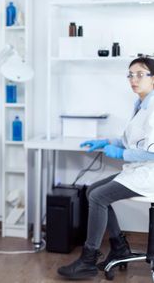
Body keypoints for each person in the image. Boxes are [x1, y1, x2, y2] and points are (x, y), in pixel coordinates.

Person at [58, 56, 154, 280]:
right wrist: (106, 142)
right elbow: (130, 140)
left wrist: (121, 154)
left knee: (99, 197)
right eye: (130, 74)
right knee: (92, 190)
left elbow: (151, 152)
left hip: (149, 173)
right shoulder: (141, 105)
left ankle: (88, 260)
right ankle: (119, 246)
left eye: (140, 74)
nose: (133, 79)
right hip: (138, 170)